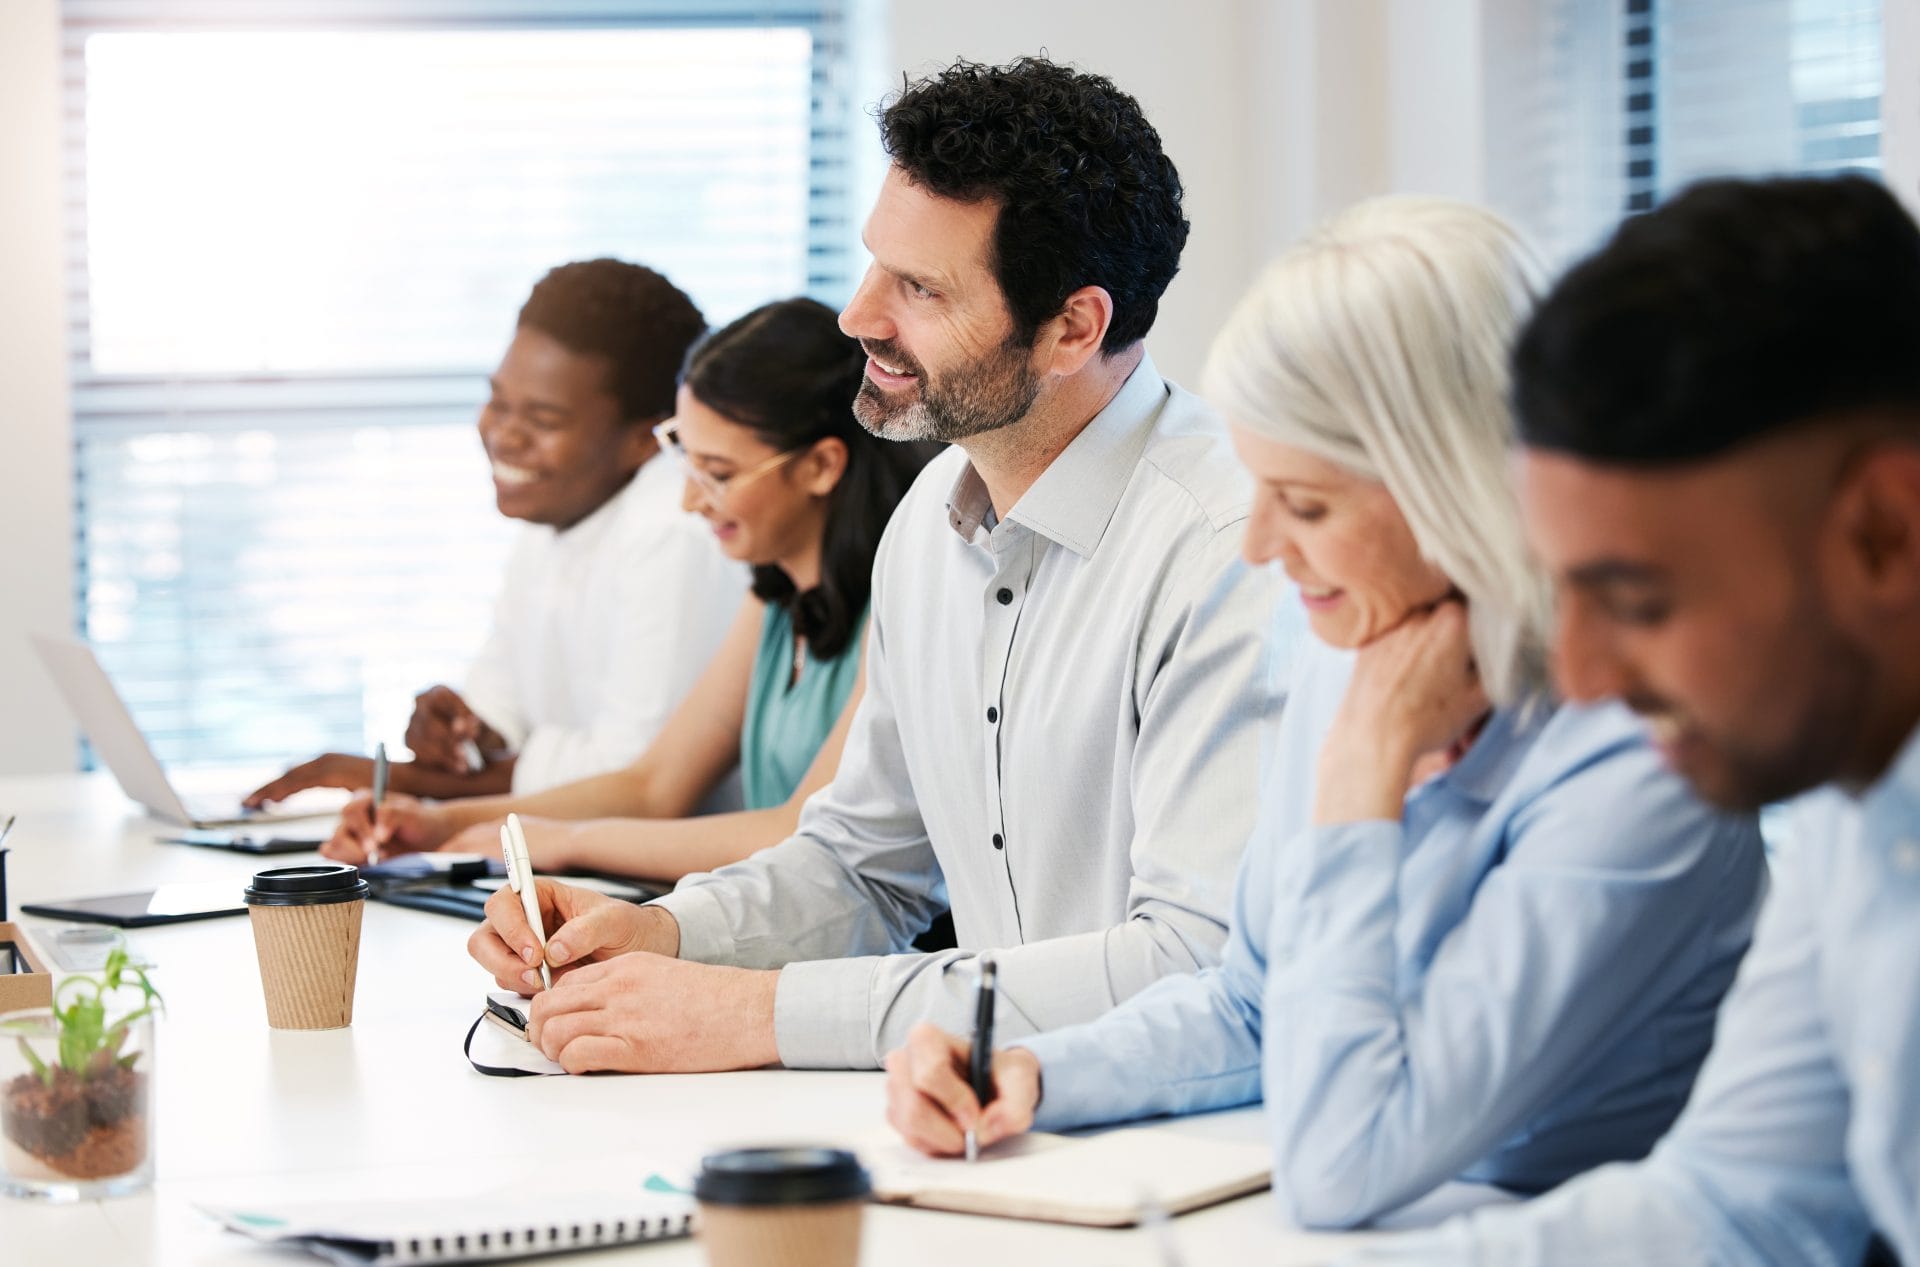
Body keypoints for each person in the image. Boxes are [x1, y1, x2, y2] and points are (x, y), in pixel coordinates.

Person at [883, 197, 1767, 1227]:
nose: (1260, 545)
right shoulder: (1357, 648)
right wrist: (1035, 1070)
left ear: (1462, 491)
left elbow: (1344, 1163)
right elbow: (1253, 1002)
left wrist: (1362, 778)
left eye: (1304, 504)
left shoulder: (1645, 760)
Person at [465, 56, 1282, 1075]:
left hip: (1181, 1157)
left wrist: (759, 1015)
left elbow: (1193, 966)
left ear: (1075, 327)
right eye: (874, 266)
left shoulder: (1229, 549)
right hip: (971, 1122)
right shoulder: (928, 526)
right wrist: (668, 933)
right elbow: (862, 867)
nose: (858, 315)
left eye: (921, 289)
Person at [1335, 177, 1920, 1266]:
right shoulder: (1859, 789)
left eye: (1641, 601)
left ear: (1886, 533)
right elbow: (1739, 1205)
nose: (1586, 679)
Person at [320, 298, 941, 883]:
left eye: (718, 474)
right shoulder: (778, 594)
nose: (691, 499)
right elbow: (654, 784)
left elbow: (800, 831)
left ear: (821, 466)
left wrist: (559, 841)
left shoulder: (901, 603)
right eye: (687, 463)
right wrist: (438, 822)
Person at [245, 260, 740, 805]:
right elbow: (502, 704)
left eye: (544, 420)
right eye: (498, 402)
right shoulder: (559, 506)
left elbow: (629, 772)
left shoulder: (677, 526)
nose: (504, 436)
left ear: (647, 438)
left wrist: (394, 781)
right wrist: (463, 731)